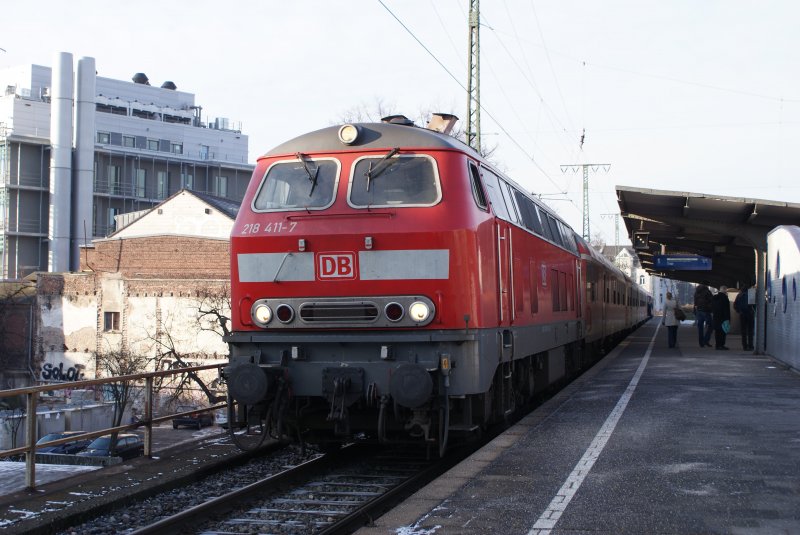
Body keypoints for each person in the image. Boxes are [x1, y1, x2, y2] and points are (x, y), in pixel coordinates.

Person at [734, 285, 755, 351]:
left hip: (742, 315)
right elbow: (754, 305)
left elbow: (735, 305)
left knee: (743, 331)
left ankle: (744, 346)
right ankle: (750, 345)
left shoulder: (739, 295)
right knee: (750, 331)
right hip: (750, 314)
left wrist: (739, 311)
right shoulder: (750, 295)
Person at [693, 282, 714, 347]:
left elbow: (695, 302)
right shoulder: (707, 292)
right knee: (711, 326)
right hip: (706, 311)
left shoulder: (696, 292)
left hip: (699, 311)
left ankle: (701, 343)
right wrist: (710, 309)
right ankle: (706, 340)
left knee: (700, 328)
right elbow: (712, 301)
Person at [711, 285, 731, 350]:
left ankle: (717, 345)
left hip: (716, 317)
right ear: (725, 290)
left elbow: (712, 308)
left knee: (717, 332)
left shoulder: (714, 297)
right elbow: (726, 309)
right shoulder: (725, 298)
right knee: (723, 332)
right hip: (723, 318)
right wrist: (727, 318)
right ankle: (721, 345)